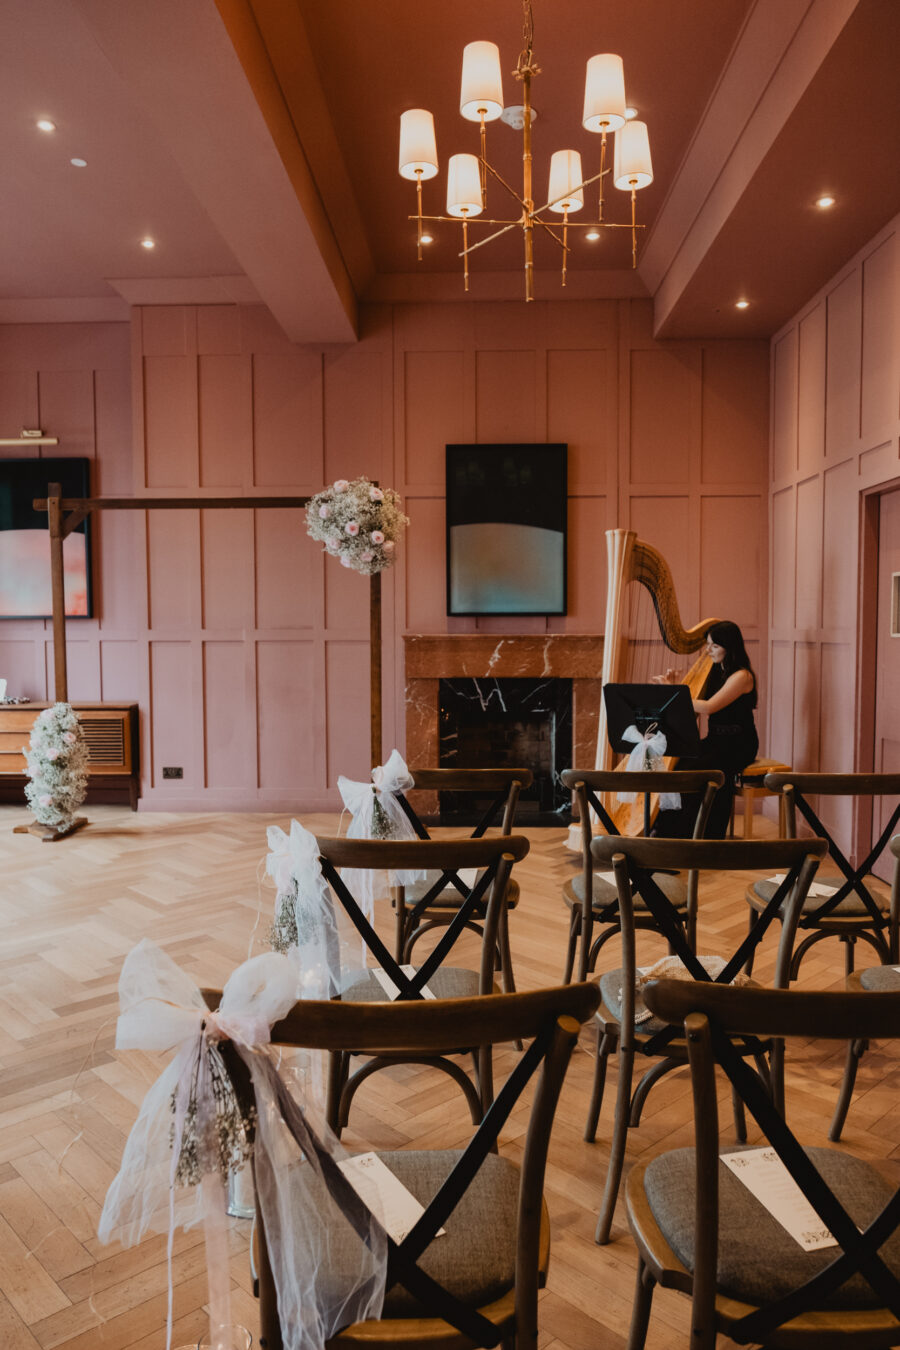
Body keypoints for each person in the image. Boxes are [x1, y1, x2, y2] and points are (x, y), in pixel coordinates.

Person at [651, 619, 759, 839]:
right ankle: (670, 832)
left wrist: (675, 693)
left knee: (693, 770)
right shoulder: (715, 672)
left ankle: (694, 834)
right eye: (708, 644)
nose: (708, 650)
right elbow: (694, 706)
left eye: (715, 646)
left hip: (738, 744)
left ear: (730, 648)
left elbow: (709, 707)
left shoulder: (742, 676)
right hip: (716, 741)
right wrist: (678, 687)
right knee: (680, 765)